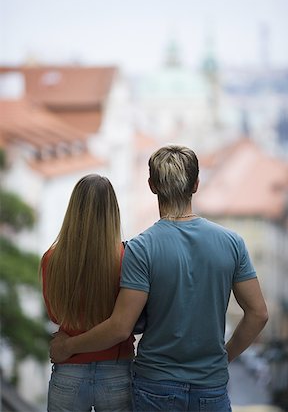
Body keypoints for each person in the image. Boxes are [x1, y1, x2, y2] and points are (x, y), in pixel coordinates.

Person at [50, 145, 268, 412]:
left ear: (152, 185)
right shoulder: (232, 242)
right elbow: (258, 314)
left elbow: (120, 327)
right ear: (196, 184)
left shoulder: (142, 248)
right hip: (211, 387)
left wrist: (67, 346)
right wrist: (225, 358)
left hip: (156, 385)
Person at [40, 174, 134, 412]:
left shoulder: (52, 259)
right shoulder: (128, 259)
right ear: (113, 211)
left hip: (68, 371)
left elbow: (55, 315)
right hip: (117, 370)